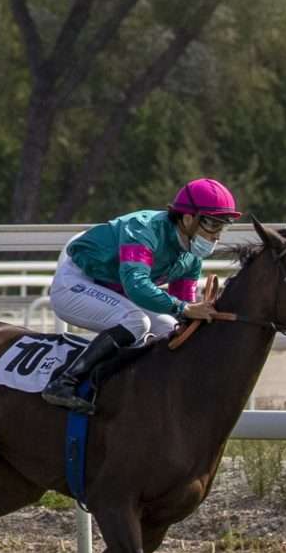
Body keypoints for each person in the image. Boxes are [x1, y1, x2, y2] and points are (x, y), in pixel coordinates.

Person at [41, 177, 237, 413]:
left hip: (113, 289)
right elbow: (137, 286)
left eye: (223, 226)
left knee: (168, 328)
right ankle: (64, 382)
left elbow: (182, 307)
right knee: (136, 321)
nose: (217, 235)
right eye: (213, 225)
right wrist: (184, 309)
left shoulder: (192, 257)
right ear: (188, 218)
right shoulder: (144, 229)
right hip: (76, 282)